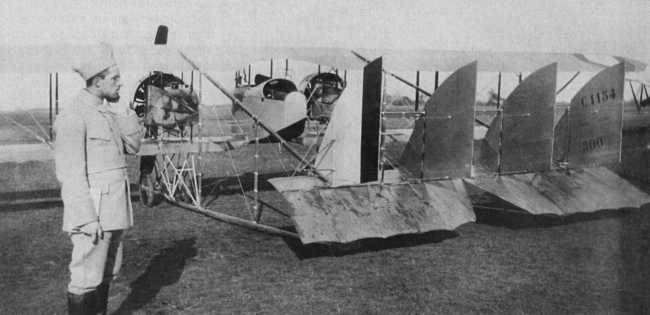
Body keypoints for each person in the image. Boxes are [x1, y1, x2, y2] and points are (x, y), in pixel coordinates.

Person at [54, 42, 142, 315]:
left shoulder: (106, 112)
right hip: (94, 214)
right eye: (114, 78)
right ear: (97, 81)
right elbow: (70, 173)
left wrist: (125, 110)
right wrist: (87, 218)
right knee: (85, 279)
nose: (120, 82)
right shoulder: (74, 116)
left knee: (107, 274)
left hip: (113, 211)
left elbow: (133, 146)